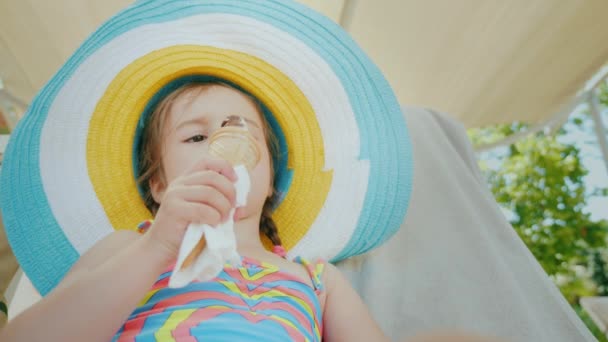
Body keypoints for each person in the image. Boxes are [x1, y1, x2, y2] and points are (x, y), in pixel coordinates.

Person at [0, 82, 389, 341]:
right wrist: (157, 247)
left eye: (247, 136)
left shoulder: (317, 280)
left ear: (270, 180)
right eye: (197, 137)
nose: (224, 144)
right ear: (159, 184)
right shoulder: (128, 249)